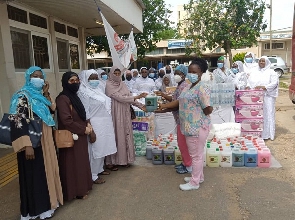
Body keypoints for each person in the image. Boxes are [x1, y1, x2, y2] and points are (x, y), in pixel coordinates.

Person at [9, 66, 63, 219]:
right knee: (35, 175)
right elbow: (16, 120)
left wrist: (46, 93)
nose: (38, 79)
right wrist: (27, 145)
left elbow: (52, 110)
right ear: (28, 78)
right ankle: (35, 210)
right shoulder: (22, 96)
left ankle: (48, 205)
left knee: (45, 172)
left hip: (45, 139)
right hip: (32, 142)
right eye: (35, 76)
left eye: (41, 76)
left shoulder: (40, 96)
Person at [157, 58, 213, 191]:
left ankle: (194, 182)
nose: (191, 74)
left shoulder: (202, 87)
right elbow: (179, 102)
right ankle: (199, 177)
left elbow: (208, 108)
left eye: (195, 72)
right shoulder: (188, 86)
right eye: (190, 71)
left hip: (197, 127)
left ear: (201, 73)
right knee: (197, 154)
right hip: (188, 126)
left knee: (196, 156)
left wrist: (197, 114)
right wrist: (164, 107)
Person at [56, 72, 93, 200]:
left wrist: (88, 126)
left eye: (77, 80)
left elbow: (81, 114)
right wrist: (83, 129)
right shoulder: (63, 98)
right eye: (72, 81)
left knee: (81, 163)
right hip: (71, 135)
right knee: (73, 165)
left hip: (80, 134)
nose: (75, 83)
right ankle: (74, 191)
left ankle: (83, 188)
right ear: (65, 82)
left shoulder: (74, 97)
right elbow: (66, 121)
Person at [77, 70, 117, 183]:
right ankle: (92, 175)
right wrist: (91, 130)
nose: (95, 80)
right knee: (95, 150)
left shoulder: (98, 90)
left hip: (105, 123)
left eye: (96, 78)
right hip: (94, 123)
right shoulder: (83, 92)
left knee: (103, 148)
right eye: (91, 78)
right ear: (85, 79)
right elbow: (85, 113)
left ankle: (99, 169)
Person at [105, 66, 147, 167]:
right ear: (111, 74)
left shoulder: (122, 84)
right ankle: (115, 161)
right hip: (115, 113)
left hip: (125, 113)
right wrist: (137, 96)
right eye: (115, 73)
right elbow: (120, 98)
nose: (117, 75)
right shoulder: (108, 85)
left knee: (126, 134)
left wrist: (141, 106)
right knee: (117, 135)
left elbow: (128, 97)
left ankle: (126, 159)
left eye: (119, 73)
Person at [155, 64, 192, 174]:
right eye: (175, 73)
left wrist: (164, 107)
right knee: (182, 143)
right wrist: (163, 95)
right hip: (180, 119)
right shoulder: (180, 85)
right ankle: (186, 162)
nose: (176, 75)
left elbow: (178, 103)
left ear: (184, 75)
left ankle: (189, 166)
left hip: (184, 120)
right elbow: (174, 99)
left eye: (179, 74)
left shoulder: (185, 86)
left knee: (183, 143)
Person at [247, 56, 279, 140]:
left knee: (268, 114)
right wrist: (248, 86)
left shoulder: (271, 72)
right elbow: (249, 82)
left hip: (268, 97)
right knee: (258, 115)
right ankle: (259, 134)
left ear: (267, 62)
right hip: (257, 98)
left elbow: (274, 83)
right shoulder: (255, 72)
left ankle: (268, 134)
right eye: (260, 61)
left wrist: (264, 87)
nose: (261, 62)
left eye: (263, 61)